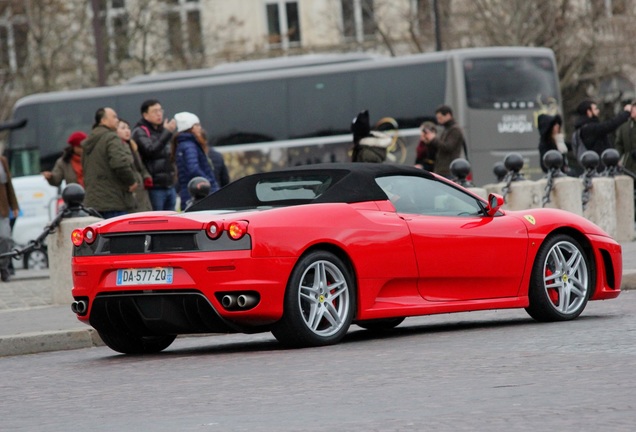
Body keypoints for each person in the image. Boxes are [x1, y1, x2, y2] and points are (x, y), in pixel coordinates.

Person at [82, 107, 139, 219]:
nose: (117, 120)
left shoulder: (89, 141)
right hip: (113, 200)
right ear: (103, 120)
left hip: (93, 201)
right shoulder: (111, 137)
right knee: (119, 234)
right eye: (114, 117)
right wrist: (131, 181)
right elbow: (120, 164)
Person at [131, 99, 177, 211]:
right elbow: (150, 151)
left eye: (160, 110)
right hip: (154, 187)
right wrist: (167, 132)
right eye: (154, 111)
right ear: (145, 115)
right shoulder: (140, 131)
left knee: (172, 221)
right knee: (158, 221)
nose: (159, 114)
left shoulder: (162, 130)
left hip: (169, 185)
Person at [171, 112, 220, 210]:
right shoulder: (190, 145)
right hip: (198, 192)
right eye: (197, 125)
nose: (200, 128)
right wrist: (208, 182)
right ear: (191, 128)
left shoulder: (184, 144)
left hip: (189, 191)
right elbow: (193, 169)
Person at [574, 99, 631, 172]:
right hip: (599, 170)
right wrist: (626, 113)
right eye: (595, 109)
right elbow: (610, 125)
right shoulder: (588, 129)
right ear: (589, 112)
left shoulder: (586, 127)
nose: (598, 111)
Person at [117, 119, 153, 212]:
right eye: (123, 128)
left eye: (128, 128)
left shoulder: (133, 146)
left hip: (141, 188)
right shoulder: (117, 148)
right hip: (130, 191)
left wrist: (146, 177)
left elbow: (140, 166)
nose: (127, 131)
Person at [432, 105, 467, 178]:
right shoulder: (447, 129)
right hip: (443, 169)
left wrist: (433, 139)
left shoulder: (454, 130)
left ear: (448, 115)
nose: (438, 121)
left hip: (448, 170)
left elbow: (448, 147)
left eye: (440, 118)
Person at [0, 154, 19, 281]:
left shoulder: (2, 161)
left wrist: (14, 205)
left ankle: (4, 267)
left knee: (5, 237)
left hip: (2, 208)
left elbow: (9, 185)